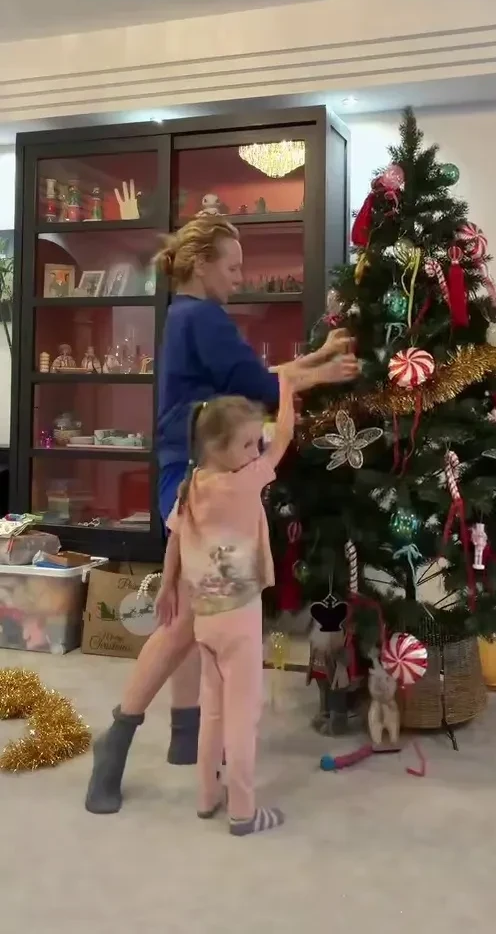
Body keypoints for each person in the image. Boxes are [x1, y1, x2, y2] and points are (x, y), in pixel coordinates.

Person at [85, 216, 358, 814]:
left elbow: (250, 384)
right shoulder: (203, 318)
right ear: (202, 264)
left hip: (189, 472)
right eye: (232, 267)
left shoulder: (188, 315)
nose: (239, 278)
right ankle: (119, 734)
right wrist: (322, 371)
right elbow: (261, 389)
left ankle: (186, 734)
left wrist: (315, 360)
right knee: (186, 619)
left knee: (190, 614)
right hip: (194, 479)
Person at [158, 378, 295, 835]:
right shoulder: (242, 483)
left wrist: (167, 586)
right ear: (218, 447)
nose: (257, 452)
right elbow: (285, 437)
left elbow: (175, 539)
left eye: (257, 443)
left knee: (213, 710)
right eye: (248, 444)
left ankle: (206, 796)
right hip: (239, 617)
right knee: (243, 715)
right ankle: (243, 811)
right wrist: (288, 385)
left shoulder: (192, 484)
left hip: (206, 617)